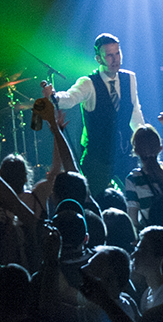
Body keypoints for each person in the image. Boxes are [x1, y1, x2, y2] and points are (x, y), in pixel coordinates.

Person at [42, 33, 145, 198]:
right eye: (109, 55)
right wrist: (55, 96)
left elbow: (135, 112)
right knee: (95, 200)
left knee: (136, 197)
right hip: (97, 159)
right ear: (98, 59)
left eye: (117, 53)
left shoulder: (129, 78)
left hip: (124, 155)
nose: (115, 59)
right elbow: (71, 98)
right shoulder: (88, 83)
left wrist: (144, 138)